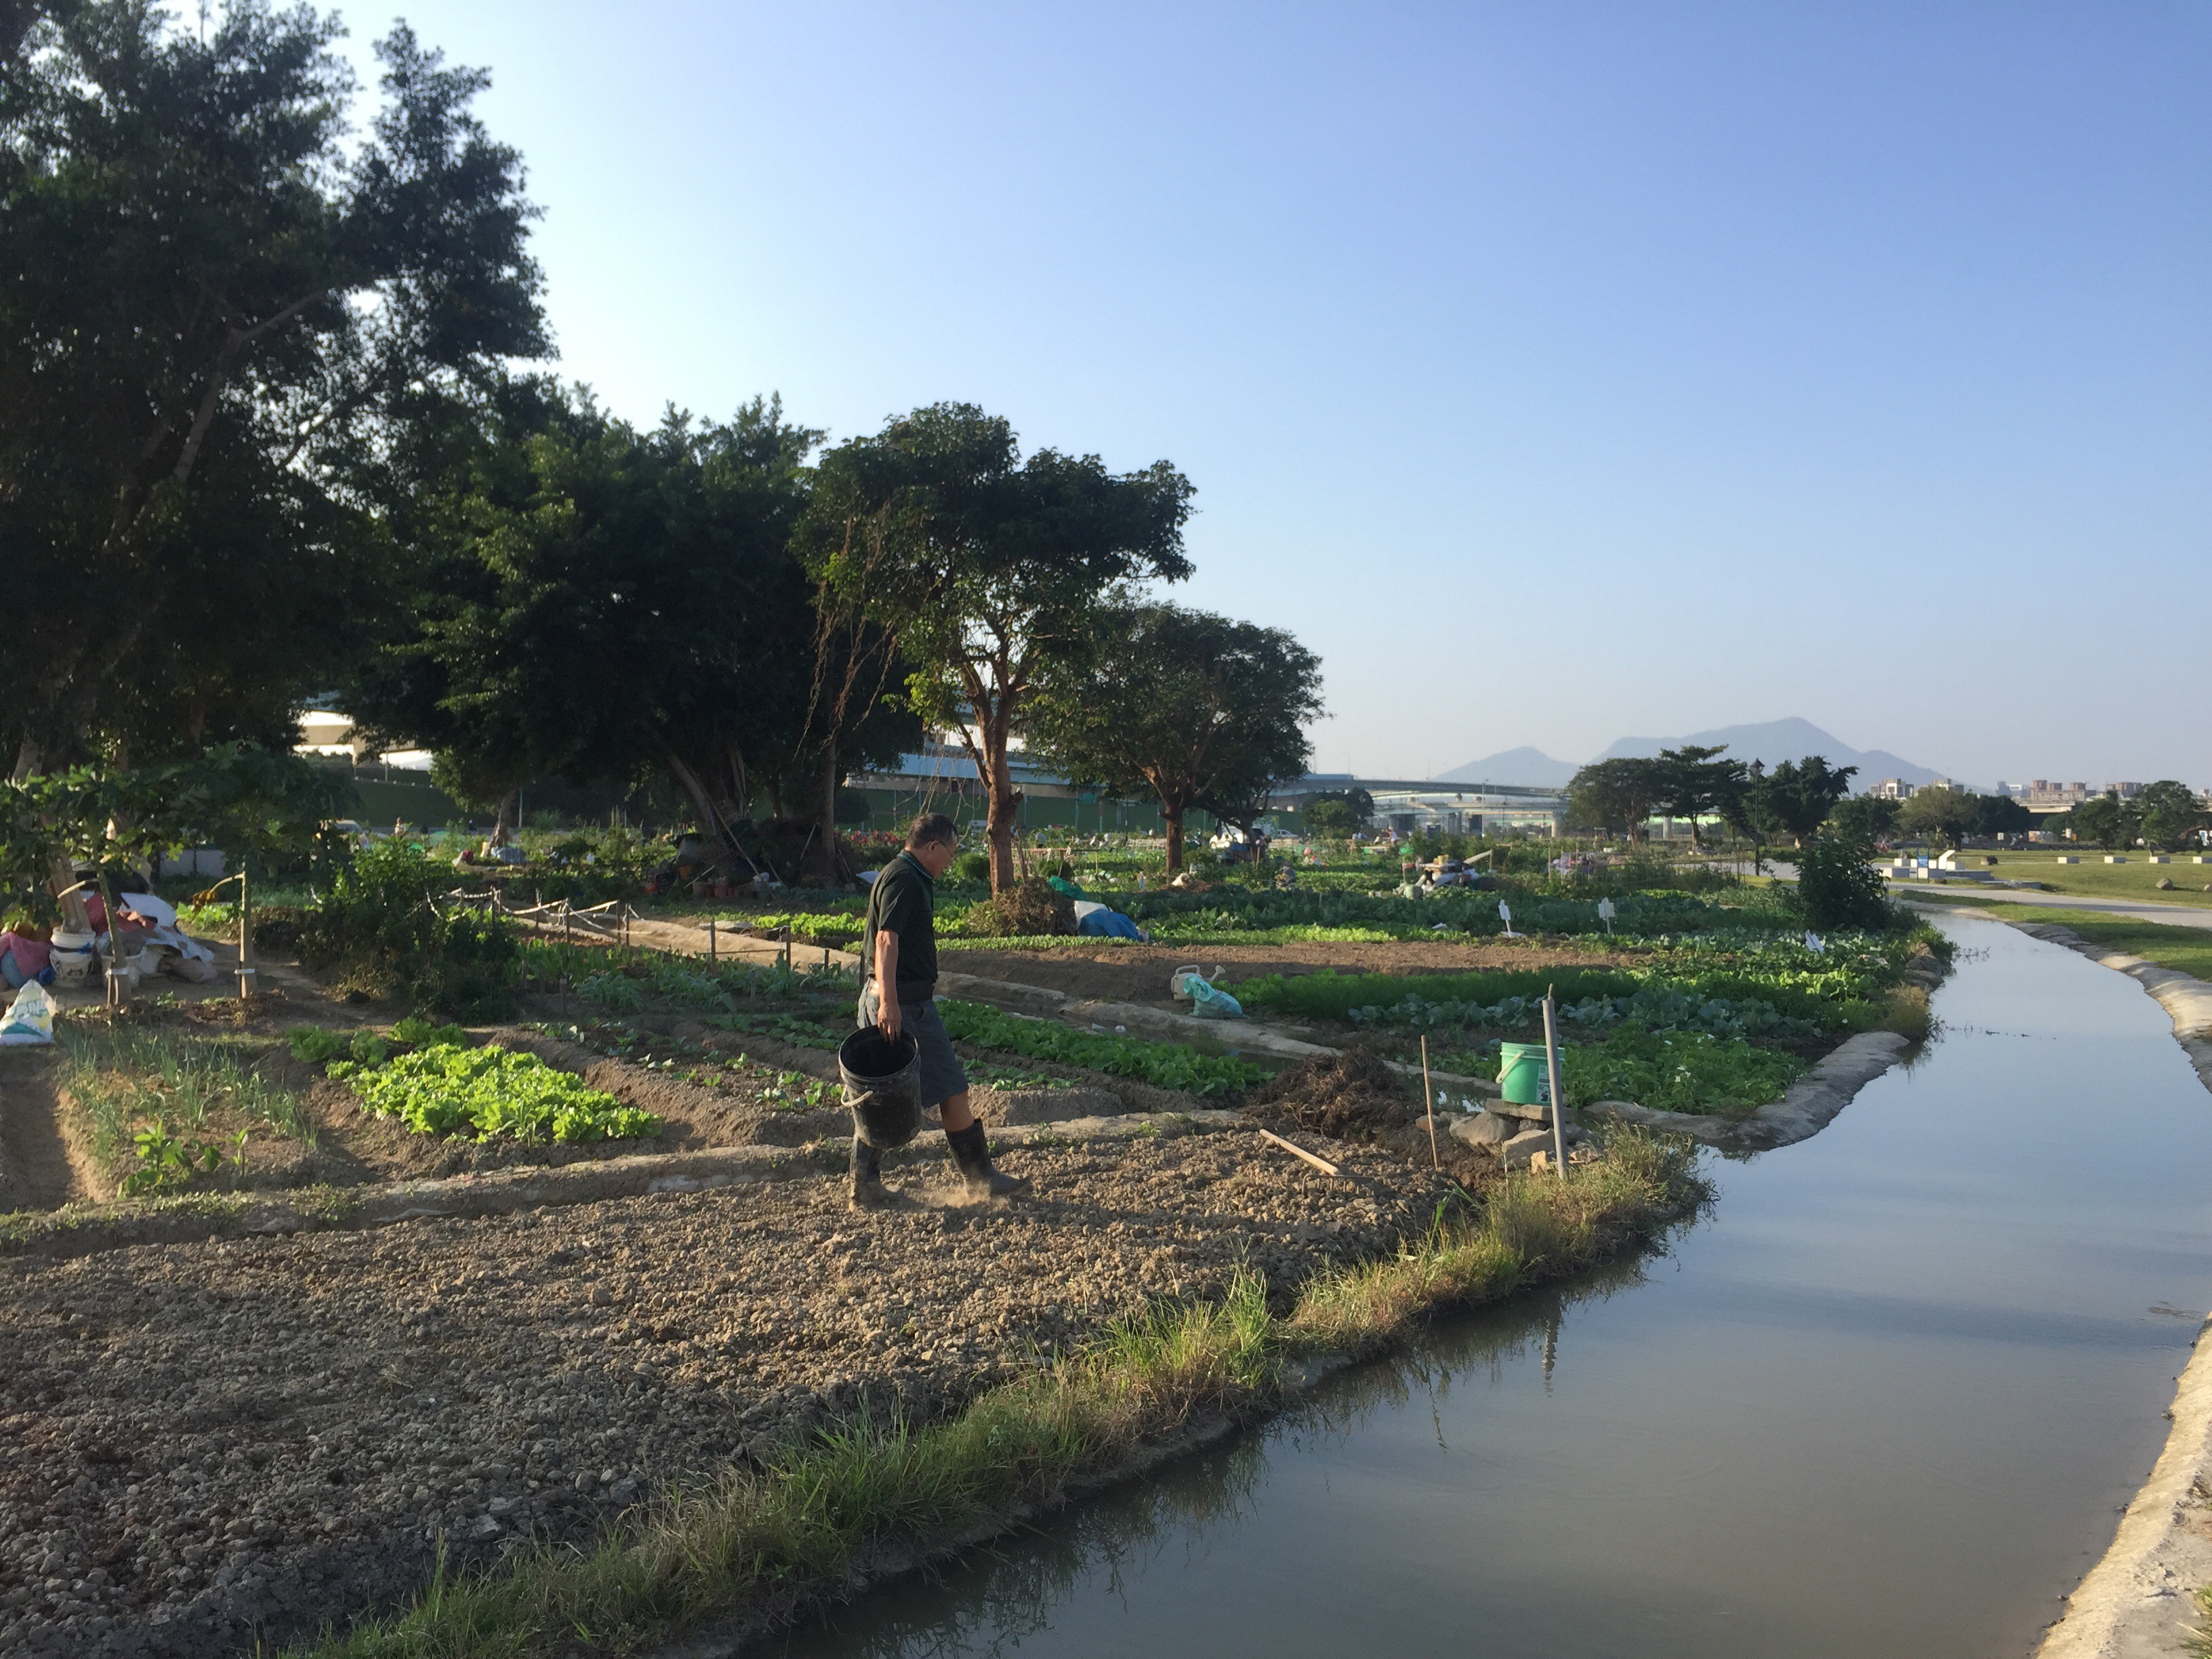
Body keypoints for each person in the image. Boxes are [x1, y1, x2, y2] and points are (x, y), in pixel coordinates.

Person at [855, 813, 1027, 1208]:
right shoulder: (906, 878)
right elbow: (885, 940)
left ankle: (863, 1185)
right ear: (932, 847)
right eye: (949, 854)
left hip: (891, 997)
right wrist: (890, 1003)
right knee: (951, 1087)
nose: (949, 863)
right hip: (905, 1004)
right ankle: (980, 1179)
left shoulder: (898, 873)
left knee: (881, 1095)